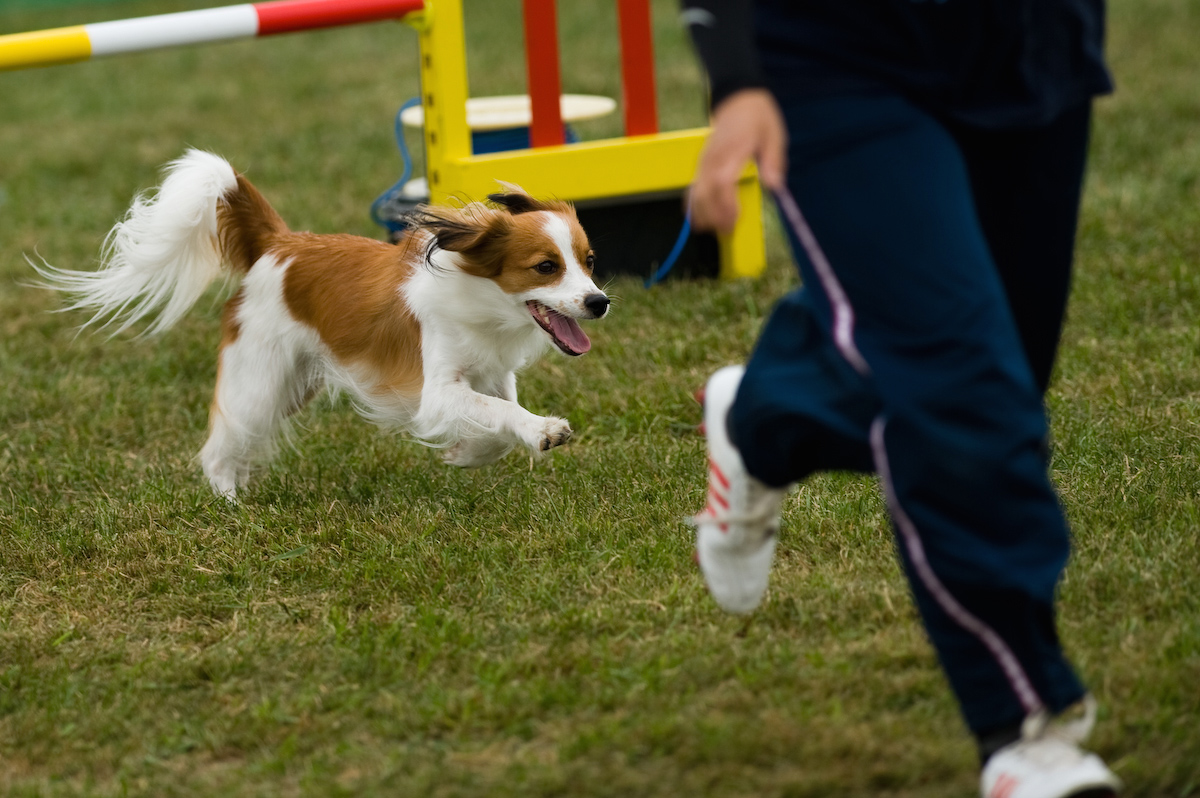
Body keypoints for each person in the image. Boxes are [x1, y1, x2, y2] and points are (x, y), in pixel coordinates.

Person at [680, 2, 1121, 796]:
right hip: (838, 56)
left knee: (1002, 372)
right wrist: (737, 74)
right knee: (963, 390)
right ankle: (1025, 727)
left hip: (1034, 45)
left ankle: (764, 417)